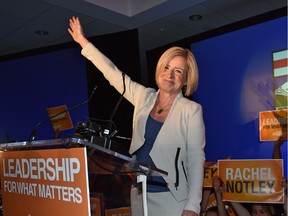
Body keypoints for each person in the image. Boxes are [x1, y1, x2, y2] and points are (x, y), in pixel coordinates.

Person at [68, 16, 206, 216]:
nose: (170, 74)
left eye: (178, 71)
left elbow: (196, 159)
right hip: (139, 194)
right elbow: (112, 73)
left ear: (185, 79)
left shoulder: (191, 110)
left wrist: (192, 206)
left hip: (173, 199)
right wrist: (83, 42)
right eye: (166, 67)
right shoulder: (144, 97)